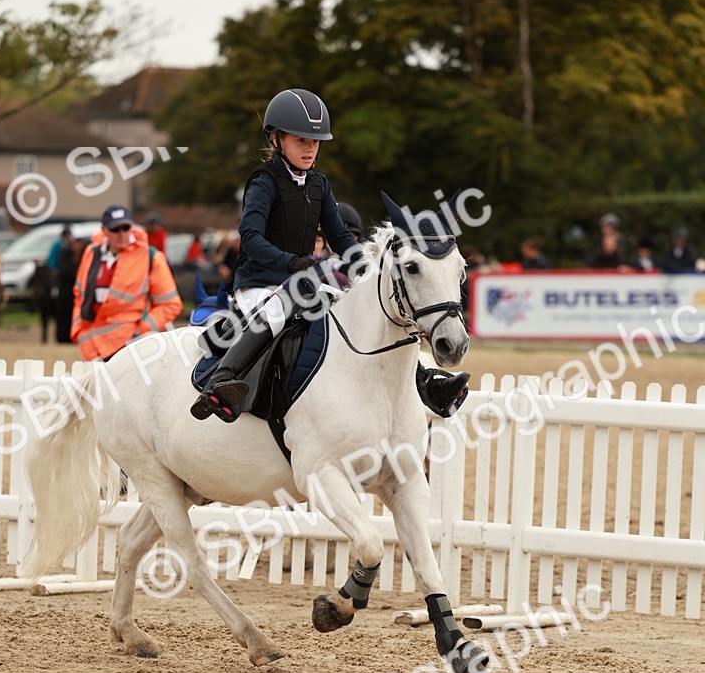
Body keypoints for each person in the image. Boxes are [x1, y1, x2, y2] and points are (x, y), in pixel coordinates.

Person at [190, 87, 469, 423]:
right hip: (259, 284)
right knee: (283, 304)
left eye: (315, 141)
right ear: (277, 139)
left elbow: (338, 235)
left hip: (302, 280)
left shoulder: (319, 185)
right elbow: (250, 239)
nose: (310, 149)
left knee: (364, 313)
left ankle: (427, 383)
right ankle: (222, 381)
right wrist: (291, 263)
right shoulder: (263, 182)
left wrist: (366, 268)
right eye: (301, 140)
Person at [71, 204, 183, 362]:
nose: (122, 234)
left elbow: (171, 305)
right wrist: (80, 331)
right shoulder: (91, 253)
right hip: (93, 346)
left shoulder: (151, 256)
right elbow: (79, 296)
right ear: (104, 231)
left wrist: (141, 330)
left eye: (126, 228)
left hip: (131, 346)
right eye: (115, 229)